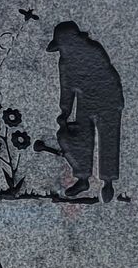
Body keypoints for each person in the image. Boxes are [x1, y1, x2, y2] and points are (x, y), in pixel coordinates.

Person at [44, 21, 121, 201]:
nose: (62, 50)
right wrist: (64, 112)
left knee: (108, 139)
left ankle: (108, 181)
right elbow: (67, 88)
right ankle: (82, 178)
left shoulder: (93, 50)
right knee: (78, 137)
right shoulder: (65, 60)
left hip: (108, 99)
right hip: (85, 101)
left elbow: (104, 75)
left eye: (63, 45)